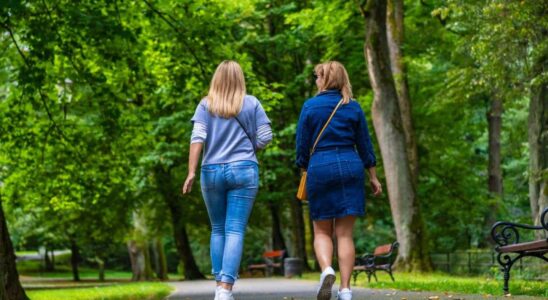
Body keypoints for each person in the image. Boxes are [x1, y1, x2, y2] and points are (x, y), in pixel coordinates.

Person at [182, 60, 272, 300]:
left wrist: (191, 171)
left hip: (211, 171)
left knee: (218, 228)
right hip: (244, 169)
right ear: (240, 78)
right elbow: (266, 136)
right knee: (235, 229)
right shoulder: (251, 103)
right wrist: (249, 147)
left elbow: (197, 137)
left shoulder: (205, 104)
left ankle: (218, 286)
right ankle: (225, 289)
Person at [296, 61, 382, 300]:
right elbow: (365, 145)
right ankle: (345, 290)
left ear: (325, 79)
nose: (315, 80)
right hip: (350, 164)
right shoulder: (352, 107)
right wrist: (373, 177)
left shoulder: (310, 107)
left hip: (320, 166)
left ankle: (326, 270)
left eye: (317, 76)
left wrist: (304, 167)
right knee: (345, 234)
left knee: (322, 231)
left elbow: (302, 146)